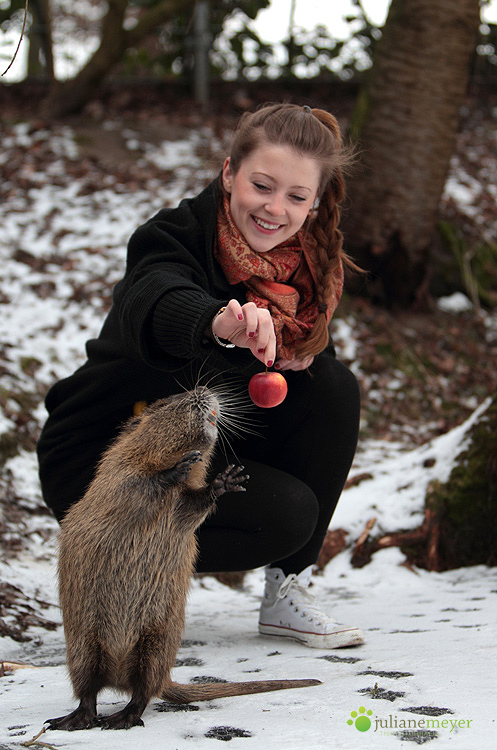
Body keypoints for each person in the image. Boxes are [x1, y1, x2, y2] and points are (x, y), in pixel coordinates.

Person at [37, 102, 363, 649]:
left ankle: (289, 593)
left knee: (332, 386)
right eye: (262, 184)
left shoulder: (304, 268)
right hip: (105, 459)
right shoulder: (174, 235)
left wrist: (297, 356)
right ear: (230, 172)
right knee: (288, 515)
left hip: (192, 449)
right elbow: (154, 298)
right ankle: (113, 563)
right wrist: (218, 322)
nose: (274, 208)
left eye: (296, 196)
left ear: (315, 202)